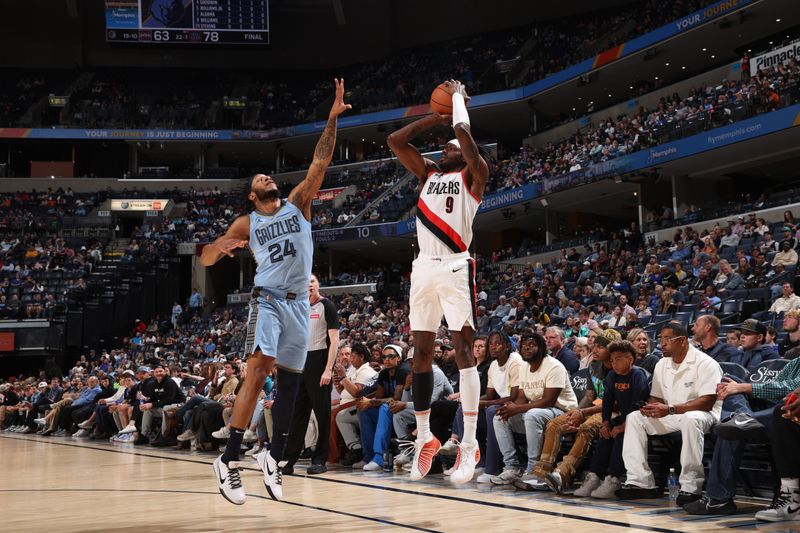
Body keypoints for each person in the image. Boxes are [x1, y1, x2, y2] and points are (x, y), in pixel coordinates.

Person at [202, 79, 350, 505]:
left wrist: (332, 118)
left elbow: (320, 162)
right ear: (253, 194)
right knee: (259, 367)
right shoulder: (246, 224)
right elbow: (208, 261)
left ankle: (271, 455)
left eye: (269, 174)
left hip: (299, 306)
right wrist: (217, 248)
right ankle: (228, 460)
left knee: (291, 382)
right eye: (260, 177)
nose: (268, 176)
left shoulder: (299, 202)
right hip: (267, 298)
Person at [387, 78, 489, 484]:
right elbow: (396, 140)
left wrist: (459, 106)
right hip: (422, 267)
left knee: (463, 348)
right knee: (421, 353)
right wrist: (435, 116)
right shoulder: (427, 173)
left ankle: (468, 443)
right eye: (443, 145)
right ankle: (426, 438)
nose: (443, 147)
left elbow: (464, 136)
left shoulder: (474, 175)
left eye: (449, 146)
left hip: (455, 264)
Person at [616, 321, 723, 504]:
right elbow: (656, 398)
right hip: (672, 413)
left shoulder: (706, 363)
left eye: (667, 339)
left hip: (702, 415)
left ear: (682, 341)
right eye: (660, 339)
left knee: (690, 419)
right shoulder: (662, 364)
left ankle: (691, 486)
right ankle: (641, 482)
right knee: (634, 418)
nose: (661, 343)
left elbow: (707, 402)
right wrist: (650, 408)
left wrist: (670, 409)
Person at [683, 357, 800, 515]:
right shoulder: (795, 362)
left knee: (734, 424)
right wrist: (738, 387)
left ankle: (719, 499)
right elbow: (773, 393)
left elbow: (789, 389)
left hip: (786, 414)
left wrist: (744, 387)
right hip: (769, 412)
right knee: (728, 383)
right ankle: (741, 417)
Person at [491, 332, 578, 486]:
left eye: (532, 345)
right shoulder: (524, 367)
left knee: (532, 415)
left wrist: (518, 409)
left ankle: (533, 469)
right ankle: (512, 467)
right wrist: (511, 408)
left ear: (541, 348)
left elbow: (548, 400)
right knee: (499, 417)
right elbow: (522, 397)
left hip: (563, 412)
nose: (527, 348)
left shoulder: (554, 366)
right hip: (538, 413)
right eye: (523, 345)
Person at [573, 340, 650, 499]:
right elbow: (607, 402)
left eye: (619, 359)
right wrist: (605, 422)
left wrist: (622, 426)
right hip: (623, 416)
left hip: (641, 417)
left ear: (631, 360)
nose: (614, 364)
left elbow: (638, 404)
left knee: (620, 435)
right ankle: (594, 476)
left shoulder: (637, 375)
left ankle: (614, 478)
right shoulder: (612, 376)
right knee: (605, 433)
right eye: (613, 360)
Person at [282, 274, 339, 475]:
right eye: (305, 283)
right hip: (300, 363)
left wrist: (328, 369)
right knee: (298, 414)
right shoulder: (298, 307)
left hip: (319, 361)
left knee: (322, 413)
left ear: (318, 285)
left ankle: (320, 459)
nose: (309, 285)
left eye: (313, 281)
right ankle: (288, 460)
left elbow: (335, 342)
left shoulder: (327, 306)